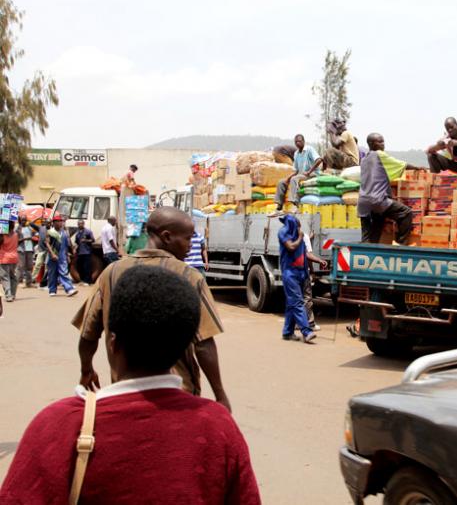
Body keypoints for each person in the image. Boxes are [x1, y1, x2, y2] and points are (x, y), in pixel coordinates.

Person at [0, 266, 261, 504]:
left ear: (113, 344)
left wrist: (85, 368)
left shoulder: (58, 425)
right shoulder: (217, 427)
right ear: (185, 347)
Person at [72, 207, 231, 411]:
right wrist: (220, 395)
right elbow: (204, 343)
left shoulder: (110, 273)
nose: (191, 247)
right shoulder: (189, 277)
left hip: (125, 394)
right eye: (188, 239)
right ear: (166, 237)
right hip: (178, 397)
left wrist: (86, 369)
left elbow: (88, 333)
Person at [358, 133, 419, 245]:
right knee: (406, 213)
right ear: (371, 143)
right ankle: (400, 245)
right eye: (380, 141)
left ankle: (365, 254)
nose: (383, 144)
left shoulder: (364, 160)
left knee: (372, 230)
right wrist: (417, 168)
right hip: (377, 199)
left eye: (383, 141)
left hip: (363, 202)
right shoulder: (379, 155)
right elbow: (400, 164)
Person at [278, 215, 326, 343]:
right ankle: (307, 331)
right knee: (298, 302)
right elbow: (291, 247)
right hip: (290, 273)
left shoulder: (301, 237)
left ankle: (287, 332)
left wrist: (319, 260)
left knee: (291, 304)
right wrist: (301, 237)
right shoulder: (283, 233)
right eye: (297, 226)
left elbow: (305, 254)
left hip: (301, 273)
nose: (299, 228)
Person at [274, 134, 321, 211]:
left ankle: (295, 203)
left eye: (299, 141)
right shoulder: (296, 154)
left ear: (303, 141)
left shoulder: (309, 149)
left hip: (312, 174)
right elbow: (296, 170)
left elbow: (319, 160)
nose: (297, 143)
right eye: (296, 142)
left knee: (294, 179)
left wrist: (309, 171)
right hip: (301, 175)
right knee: (281, 182)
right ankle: (279, 204)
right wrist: (287, 178)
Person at [45, 215, 78, 297]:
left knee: (64, 272)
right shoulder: (50, 232)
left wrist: (67, 255)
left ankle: (69, 289)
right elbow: (47, 243)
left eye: (61, 221)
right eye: (58, 221)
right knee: (52, 273)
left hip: (62, 256)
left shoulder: (64, 233)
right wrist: (52, 254)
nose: (60, 223)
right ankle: (52, 290)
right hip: (53, 255)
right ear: (54, 223)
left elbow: (66, 245)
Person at [301, 230, 327, 332]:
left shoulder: (288, 238)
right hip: (302, 272)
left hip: (292, 274)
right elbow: (308, 256)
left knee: (297, 299)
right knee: (307, 298)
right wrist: (312, 271)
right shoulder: (303, 237)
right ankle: (310, 324)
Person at [0, 222, 20, 303]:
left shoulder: (2, 236)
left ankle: (8, 296)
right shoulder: (15, 234)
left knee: (5, 277)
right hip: (14, 258)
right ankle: (13, 294)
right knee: (13, 277)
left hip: (4, 258)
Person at [74, 219, 95, 286]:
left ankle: (88, 281)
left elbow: (93, 240)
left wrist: (86, 240)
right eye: (78, 224)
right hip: (80, 252)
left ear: (83, 224)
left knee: (87, 267)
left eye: (81, 224)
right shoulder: (77, 233)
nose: (79, 225)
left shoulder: (88, 232)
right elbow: (77, 242)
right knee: (79, 267)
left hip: (87, 252)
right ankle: (82, 280)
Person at [16, 217, 34, 288]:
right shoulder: (18, 229)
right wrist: (25, 239)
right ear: (20, 221)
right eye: (23, 220)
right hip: (21, 249)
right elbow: (16, 240)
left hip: (29, 249)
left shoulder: (29, 228)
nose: (24, 221)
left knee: (29, 266)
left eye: (25, 220)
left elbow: (34, 234)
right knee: (20, 266)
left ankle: (28, 282)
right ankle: (18, 281)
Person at [32, 220, 51, 289]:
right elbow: (31, 223)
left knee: (47, 267)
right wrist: (37, 219)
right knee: (37, 265)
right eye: (47, 223)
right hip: (41, 250)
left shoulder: (52, 230)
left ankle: (44, 281)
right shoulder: (41, 228)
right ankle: (33, 279)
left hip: (49, 251)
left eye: (49, 223)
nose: (48, 224)